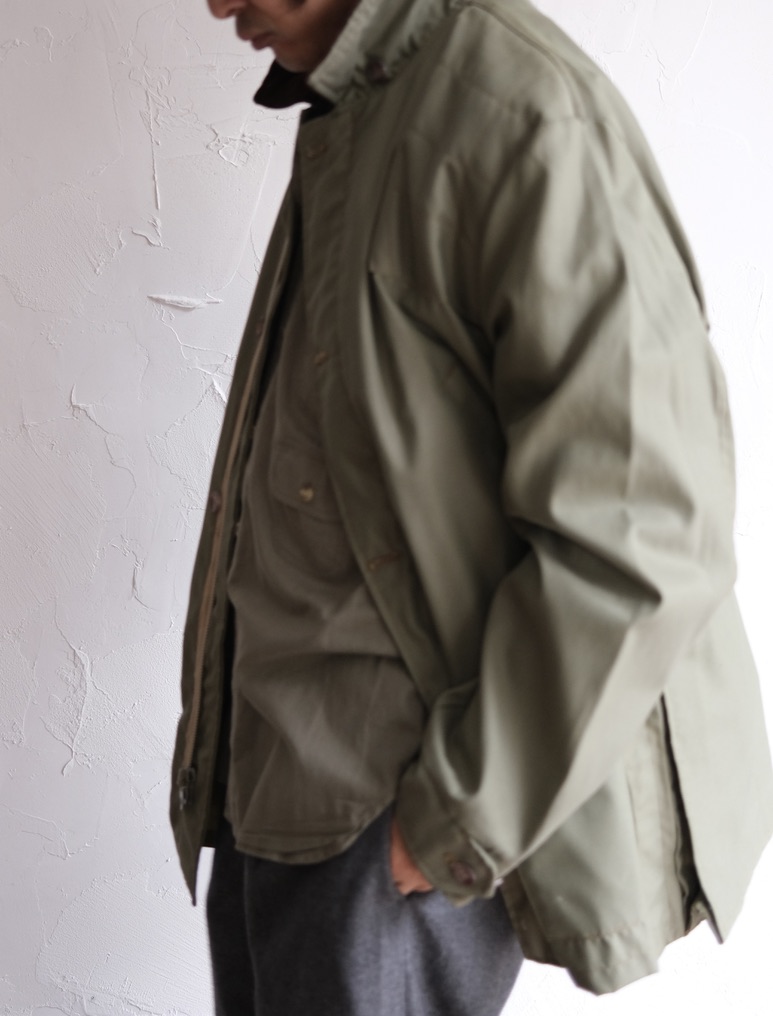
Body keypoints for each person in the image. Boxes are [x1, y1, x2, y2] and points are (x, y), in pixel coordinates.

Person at [169, 0, 773, 1012]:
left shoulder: (519, 111)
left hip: (379, 817)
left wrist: (453, 821)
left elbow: (644, 525)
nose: (217, 2)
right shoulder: (369, 103)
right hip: (279, 786)